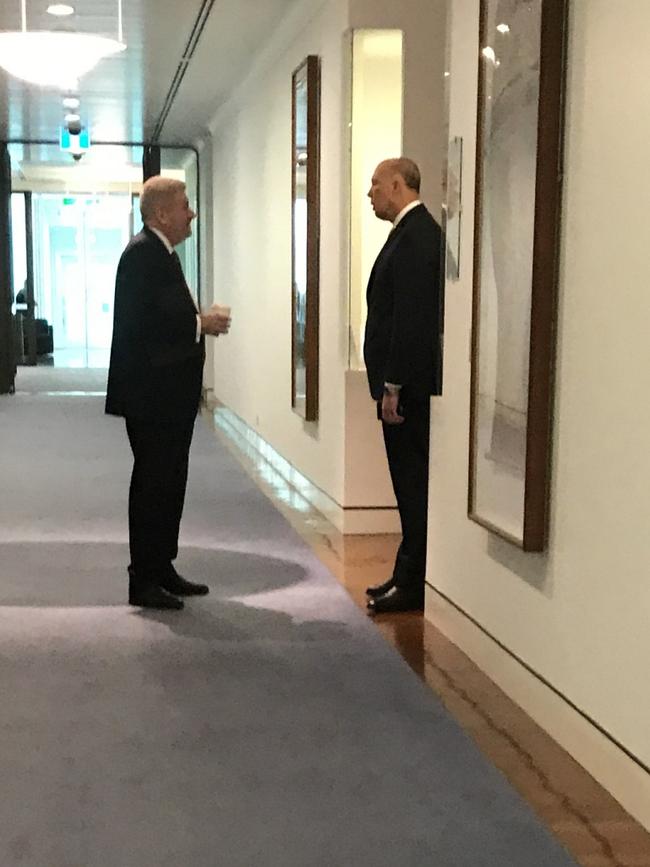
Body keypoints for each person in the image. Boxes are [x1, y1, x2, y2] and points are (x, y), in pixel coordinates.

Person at [106, 176, 230, 610]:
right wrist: (202, 323)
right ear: (161, 213)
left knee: (170, 481)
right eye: (185, 206)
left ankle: (161, 567)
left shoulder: (161, 254)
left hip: (167, 396)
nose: (190, 213)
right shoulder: (144, 255)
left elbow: (163, 314)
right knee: (154, 484)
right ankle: (143, 577)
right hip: (152, 396)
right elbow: (147, 327)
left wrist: (196, 319)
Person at [363, 158, 443, 614]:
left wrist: (393, 385)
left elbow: (410, 322)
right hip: (403, 387)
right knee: (406, 484)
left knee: (412, 484)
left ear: (397, 185)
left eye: (375, 184)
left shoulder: (416, 238)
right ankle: (407, 570)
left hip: (408, 391)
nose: (370, 193)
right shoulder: (408, 234)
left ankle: (414, 582)